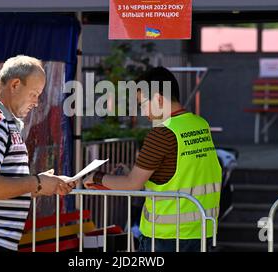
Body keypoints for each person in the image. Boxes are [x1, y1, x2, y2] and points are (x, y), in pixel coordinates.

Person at [83, 66, 222, 252]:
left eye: (142, 103)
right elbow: (181, 171)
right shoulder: (200, 124)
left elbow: (133, 184)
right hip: (202, 232)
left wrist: (96, 177)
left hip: (166, 238)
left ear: (158, 98)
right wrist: (129, 173)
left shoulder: (162, 133)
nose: (142, 111)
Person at [0, 55, 76, 252]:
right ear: (15, 84)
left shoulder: (1, 121)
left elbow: (4, 183)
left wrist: (43, 185)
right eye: (34, 94)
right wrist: (37, 182)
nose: (36, 102)